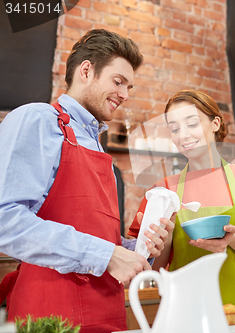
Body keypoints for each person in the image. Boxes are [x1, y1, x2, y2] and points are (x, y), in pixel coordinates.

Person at [0, 29, 172, 332]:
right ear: (86, 70)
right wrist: (106, 255)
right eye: (118, 82)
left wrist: (133, 247)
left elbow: (87, 234)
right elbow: (6, 220)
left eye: (129, 86)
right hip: (49, 313)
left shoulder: (93, 143)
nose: (125, 95)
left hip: (105, 312)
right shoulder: (38, 119)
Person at [128, 90, 235, 318]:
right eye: (174, 128)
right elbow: (156, 268)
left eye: (192, 124)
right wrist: (161, 240)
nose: (183, 135)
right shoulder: (163, 191)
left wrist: (232, 239)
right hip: (185, 313)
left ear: (215, 123)